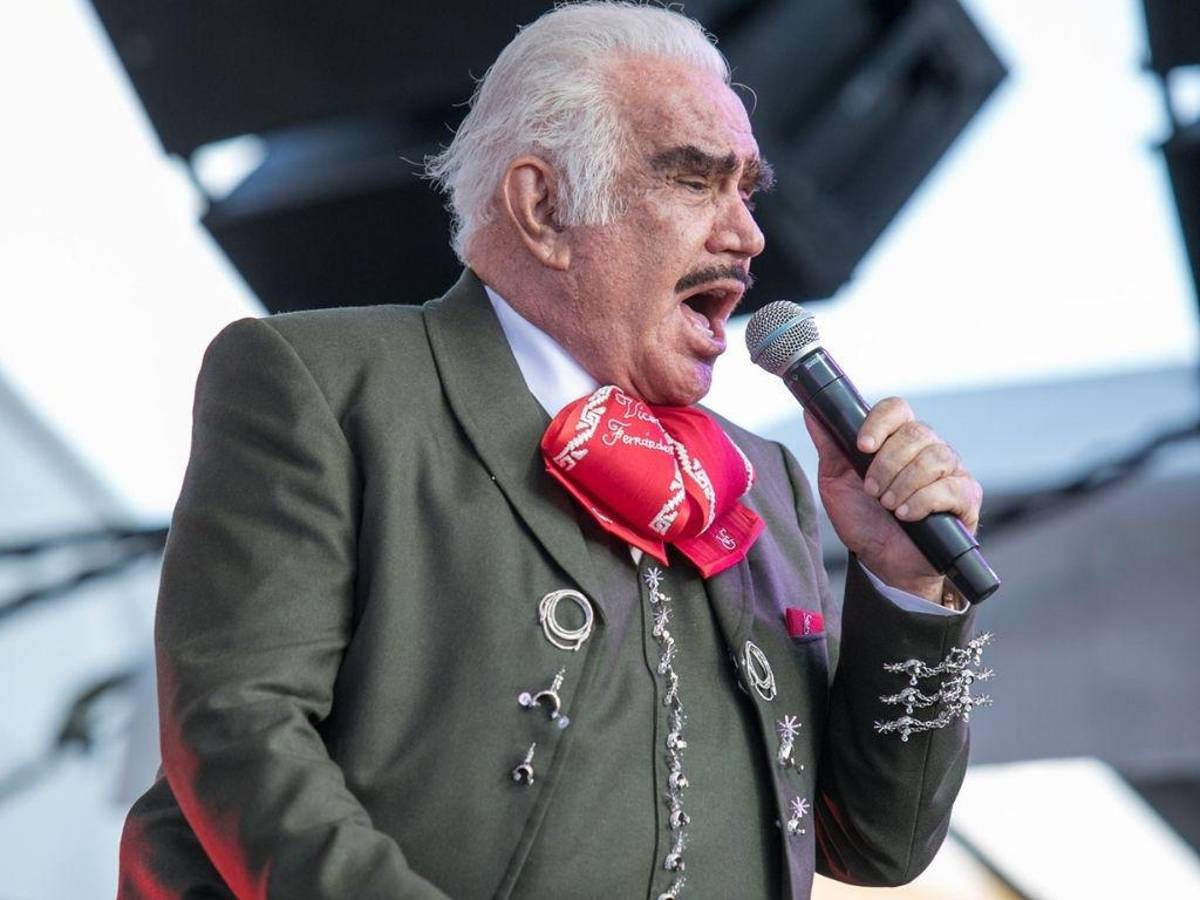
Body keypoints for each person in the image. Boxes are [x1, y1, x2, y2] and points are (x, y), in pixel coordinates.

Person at [118, 3, 991, 898]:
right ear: (543, 207)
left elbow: (878, 843)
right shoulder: (330, 385)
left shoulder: (766, 486)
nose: (747, 235)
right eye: (695, 181)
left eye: (747, 190)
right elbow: (240, 734)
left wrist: (908, 586)